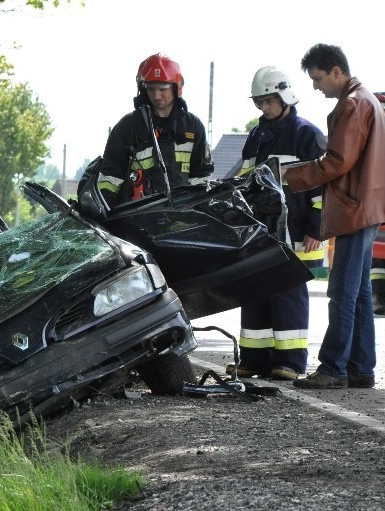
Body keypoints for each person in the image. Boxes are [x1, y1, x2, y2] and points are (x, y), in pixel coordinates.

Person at [282, 43, 385, 389]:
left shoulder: (352, 104)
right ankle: (361, 368)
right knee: (359, 291)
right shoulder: (365, 99)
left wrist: (290, 176)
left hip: (356, 207)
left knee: (341, 291)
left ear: (337, 71)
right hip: (366, 207)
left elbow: (337, 162)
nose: (316, 86)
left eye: (318, 79)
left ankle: (333, 368)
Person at [228, 66, 327, 381]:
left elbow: (321, 188)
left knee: (288, 295)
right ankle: (255, 359)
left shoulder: (306, 134)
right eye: (259, 102)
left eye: (269, 100)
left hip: (297, 232)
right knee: (255, 291)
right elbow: (245, 183)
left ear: (284, 95)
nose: (264, 108)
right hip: (260, 232)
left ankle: (290, 362)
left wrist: (316, 227)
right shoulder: (256, 136)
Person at [94, 52, 214, 205]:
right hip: (135, 216)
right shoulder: (127, 127)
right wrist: (103, 209)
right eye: (151, 89)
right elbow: (110, 177)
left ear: (176, 87)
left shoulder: (193, 127)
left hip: (182, 216)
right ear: (143, 89)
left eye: (162, 89)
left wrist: (197, 208)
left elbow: (202, 176)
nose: (157, 96)